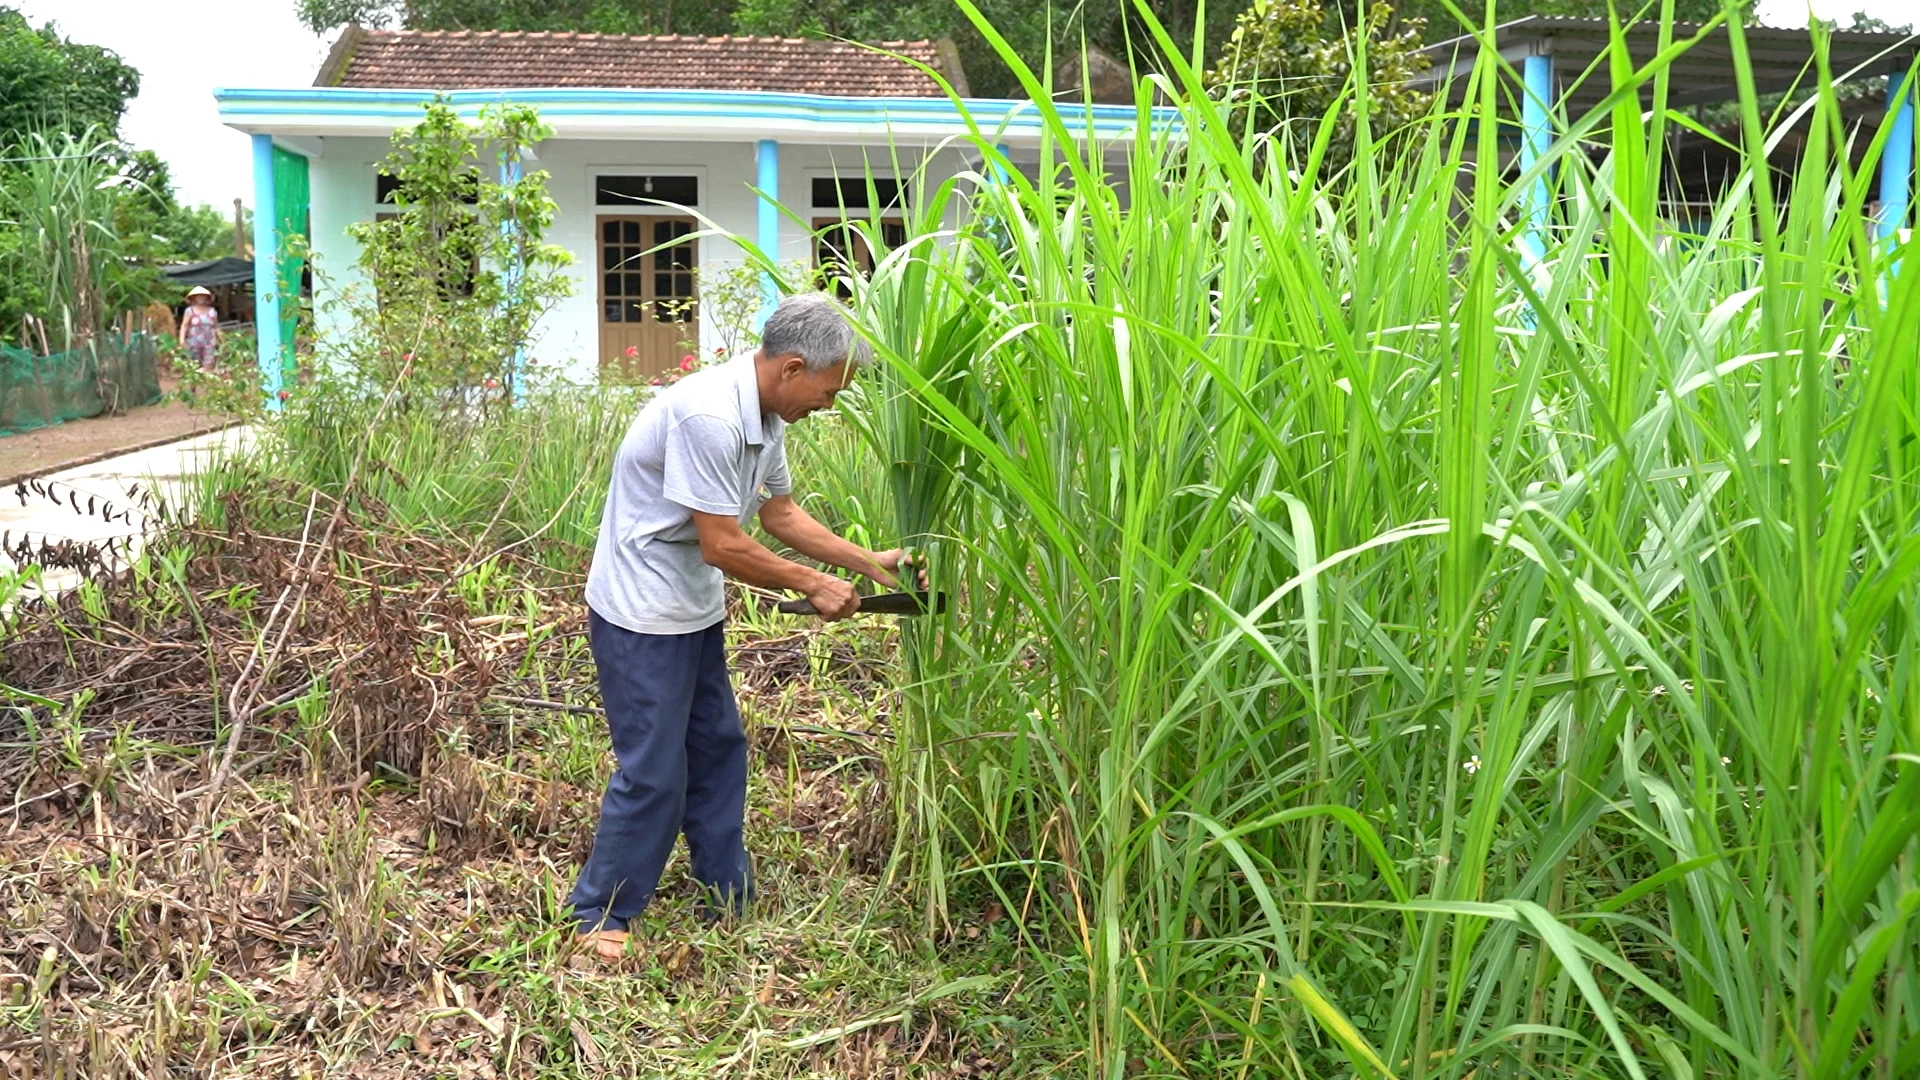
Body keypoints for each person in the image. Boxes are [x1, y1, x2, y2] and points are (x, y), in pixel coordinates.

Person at [570, 291, 913, 960]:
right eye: (828, 389)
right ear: (791, 368)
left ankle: (725, 892)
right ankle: (602, 912)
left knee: (720, 745)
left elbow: (779, 516)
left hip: (691, 607)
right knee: (654, 767)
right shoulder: (710, 417)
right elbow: (722, 544)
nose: (829, 404)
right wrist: (813, 584)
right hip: (642, 612)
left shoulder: (767, 416)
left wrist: (870, 565)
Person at [177, 286, 220, 369]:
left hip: (209, 343)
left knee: (208, 366)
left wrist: (222, 339)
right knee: (195, 366)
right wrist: (181, 340)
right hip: (193, 343)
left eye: (203, 296)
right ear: (194, 298)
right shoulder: (189, 311)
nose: (201, 298)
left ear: (207, 297)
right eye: (198, 296)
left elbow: (216, 326)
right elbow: (184, 326)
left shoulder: (212, 311)